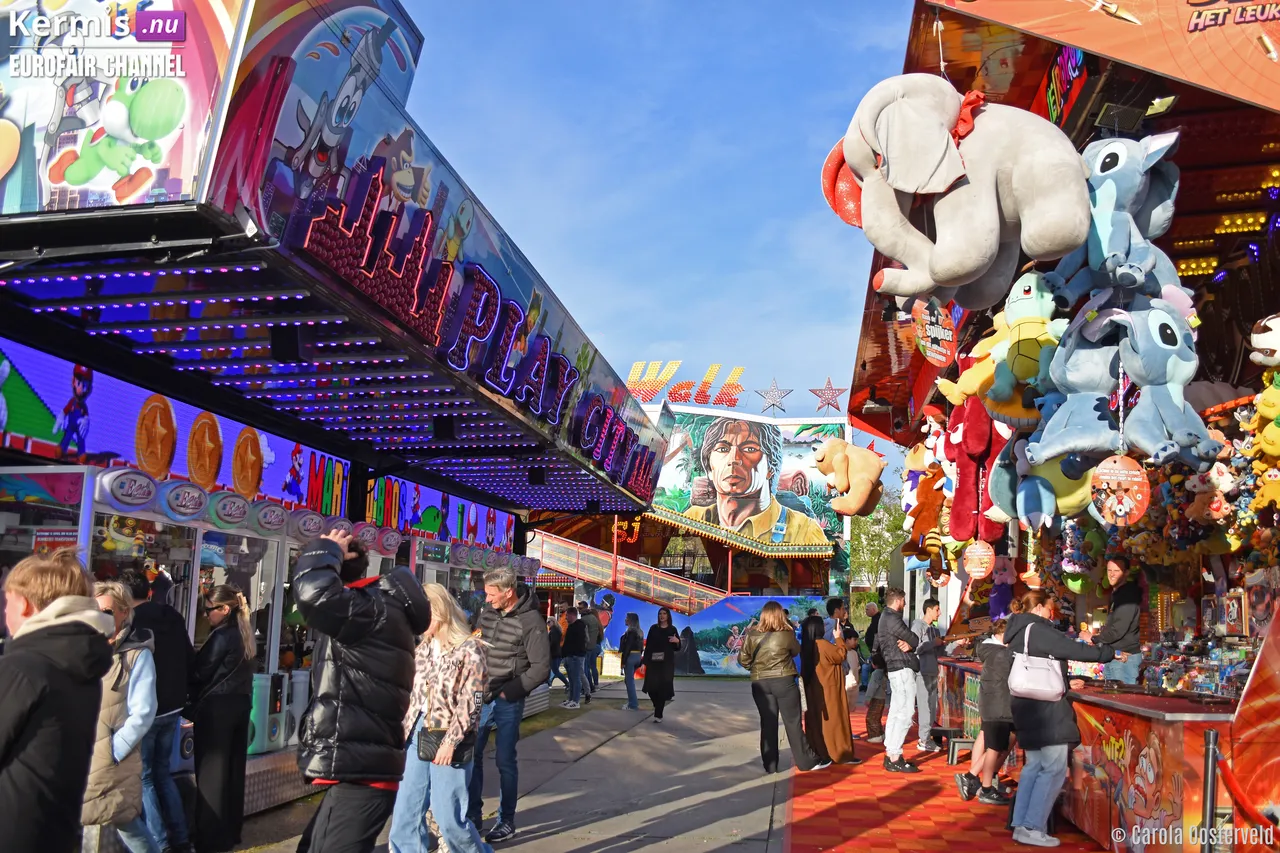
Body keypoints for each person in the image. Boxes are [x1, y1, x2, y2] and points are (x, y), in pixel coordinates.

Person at [293, 531, 431, 853]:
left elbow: (313, 595)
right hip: (358, 769)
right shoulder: (372, 610)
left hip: (365, 772)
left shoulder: (370, 610)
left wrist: (326, 548)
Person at [0, 549, 114, 853]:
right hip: (54, 829)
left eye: (7, 603)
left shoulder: (23, 667)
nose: (5, 613)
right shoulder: (75, 661)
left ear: (25, 604)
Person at [1005, 591, 1122, 848]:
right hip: (1045, 709)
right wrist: (1107, 653)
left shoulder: (1019, 630)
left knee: (1034, 766)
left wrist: (1066, 680)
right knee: (1053, 767)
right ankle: (1032, 826)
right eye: (1050, 609)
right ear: (1038, 608)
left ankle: (1021, 824)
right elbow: (1072, 649)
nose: (1052, 614)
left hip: (1026, 704)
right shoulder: (1037, 629)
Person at [388, 583, 491, 853]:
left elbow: (472, 701)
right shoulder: (422, 649)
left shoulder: (471, 649)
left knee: (448, 818)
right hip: (415, 733)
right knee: (405, 814)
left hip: (449, 734)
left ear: (440, 611)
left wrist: (451, 741)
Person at [467, 568, 550, 844]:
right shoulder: (487, 613)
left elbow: (541, 668)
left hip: (507, 698)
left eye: (492, 594)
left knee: (505, 760)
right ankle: (473, 816)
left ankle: (506, 820)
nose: (487, 599)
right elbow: (476, 643)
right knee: (471, 755)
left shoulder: (531, 621)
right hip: (481, 695)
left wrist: (509, 693)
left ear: (508, 592)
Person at [84, 581, 161, 853]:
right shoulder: (82, 649)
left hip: (112, 757)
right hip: (80, 752)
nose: (99, 616)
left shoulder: (137, 655)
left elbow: (144, 712)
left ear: (123, 612)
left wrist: (115, 749)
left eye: (106, 610)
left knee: (126, 823)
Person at [123, 569, 195, 853]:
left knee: (146, 777)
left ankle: (159, 842)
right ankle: (181, 838)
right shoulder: (173, 616)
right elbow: (189, 656)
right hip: (173, 706)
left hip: (147, 709)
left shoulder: (131, 621)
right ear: (149, 591)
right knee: (162, 773)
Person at [681, 418, 829, 545]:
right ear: (709, 468)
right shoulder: (692, 520)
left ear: (771, 466)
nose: (733, 459)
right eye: (722, 449)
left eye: (749, 449)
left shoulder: (804, 532)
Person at [188, 584, 255, 853]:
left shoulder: (222, 636)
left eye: (209, 610)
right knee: (233, 772)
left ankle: (210, 838)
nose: (206, 615)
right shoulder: (244, 633)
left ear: (225, 609)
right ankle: (230, 831)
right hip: (240, 705)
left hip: (217, 709)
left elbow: (200, 672)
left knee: (211, 776)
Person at [737, 602, 830, 774]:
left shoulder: (752, 634)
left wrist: (756, 668)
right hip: (784, 681)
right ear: (780, 614)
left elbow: (743, 660)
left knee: (768, 723)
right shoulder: (787, 633)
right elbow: (795, 651)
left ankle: (770, 765)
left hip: (760, 682)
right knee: (792, 723)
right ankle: (806, 762)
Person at [955, 619, 1016, 806]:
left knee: (992, 740)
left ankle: (978, 778)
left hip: (993, 702)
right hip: (999, 704)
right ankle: (976, 779)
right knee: (995, 745)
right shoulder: (1002, 654)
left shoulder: (990, 649)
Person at [800, 615, 861, 766]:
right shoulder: (822, 644)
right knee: (835, 723)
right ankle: (839, 753)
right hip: (830, 690)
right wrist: (838, 637)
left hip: (814, 690)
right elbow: (840, 655)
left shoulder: (806, 646)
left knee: (817, 722)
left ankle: (821, 752)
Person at [876, 587, 921, 773]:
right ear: (898, 601)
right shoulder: (893, 618)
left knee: (896, 712)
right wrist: (911, 644)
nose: (905, 603)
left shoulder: (885, 617)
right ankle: (895, 755)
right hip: (901, 669)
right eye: (903, 600)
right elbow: (914, 639)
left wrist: (909, 644)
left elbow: (910, 641)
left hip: (895, 668)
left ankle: (891, 753)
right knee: (905, 712)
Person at [1080, 558, 1143, 684]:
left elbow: (1118, 630)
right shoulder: (1118, 594)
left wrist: (1093, 638)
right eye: (1109, 570)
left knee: (1122, 695)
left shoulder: (1127, 596)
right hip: (1115, 657)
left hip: (1124, 659)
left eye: (1116, 571)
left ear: (1126, 573)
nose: (1112, 574)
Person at [911, 598, 945, 754]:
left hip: (933, 672)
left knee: (932, 707)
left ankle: (927, 737)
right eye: (937, 609)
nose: (939, 613)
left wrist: (956, 644)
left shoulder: (935, 630)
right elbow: (914, 648)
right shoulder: (918, 626)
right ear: (929, 610)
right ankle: (923, 739)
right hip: (922, 672)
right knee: (925, 706)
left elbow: (941, 652)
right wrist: (933, 643)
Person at [642, 607, 679, 722]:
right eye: (660, 614)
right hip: (653, 663)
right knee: (651, 688)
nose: (662, 616)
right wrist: (644, 663)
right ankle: (657, 705)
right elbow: (648, 647)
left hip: (666, 664)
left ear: (668, 616)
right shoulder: (653, 628)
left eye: (664, 614)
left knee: (662, 689)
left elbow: (677, 648)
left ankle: (658, 714)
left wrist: (677, 641)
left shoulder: (672, 629)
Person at [560, 607, 587, 710]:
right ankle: (571, 699)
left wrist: (573, 654)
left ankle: (576, 701)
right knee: (571, 679)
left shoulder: (579, 626)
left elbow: (577, 643)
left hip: (576, 656)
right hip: (569, 656)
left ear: (572, 615)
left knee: (576, 679)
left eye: (567, 615)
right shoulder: (571, 627)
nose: (566, 618)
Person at [618, 612, 645, 711]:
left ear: (631, 620)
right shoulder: (640, 632)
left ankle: (633, 704)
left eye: (627, 618)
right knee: (628, 680)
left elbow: (627, 647)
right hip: (637, 656)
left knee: (629, 681)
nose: (625, 619)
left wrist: (623, 661)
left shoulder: (630, 632)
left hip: (630, 657)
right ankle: (631, 702)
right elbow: (641, 648)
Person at [578, 601, 603, 699]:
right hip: (595, 646)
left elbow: (585, 635)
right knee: (591, 666)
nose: (579, 610)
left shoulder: (584, 620)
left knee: (586, 667)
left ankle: (588, 687)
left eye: (580, 608)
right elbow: (599, 636)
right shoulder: (596, 621)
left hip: (589, 646)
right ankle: (594, 685)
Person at [861, 602, 880, 688]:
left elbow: (877, 636)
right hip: (873, 650)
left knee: (874, 668)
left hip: (876, 651)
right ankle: (866, 685)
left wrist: (874, 650)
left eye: (867, 609)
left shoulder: (877, 619)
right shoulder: (875, 619)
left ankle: (873, 686)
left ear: (873, 609)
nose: (866, 611)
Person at [545, 618, 568, 689]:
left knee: (555, 671)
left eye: (549, 622)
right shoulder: (556, 630)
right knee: (552, 670)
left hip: (554, 653)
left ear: (553, 622)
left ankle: (567, 683)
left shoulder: (554, 631)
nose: (548, 624)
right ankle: (548, 682)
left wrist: (547, 648)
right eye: (547, 622)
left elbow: (553, 643)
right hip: (556, 653)